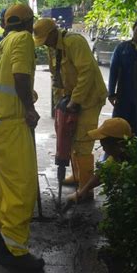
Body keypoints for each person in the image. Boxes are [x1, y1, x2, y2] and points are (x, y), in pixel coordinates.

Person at [0, 4, 44, 271]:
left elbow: (4, 82)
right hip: (12, 125)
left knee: (0, 183)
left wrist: (27, 96)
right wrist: (29, 109)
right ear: (30, 23)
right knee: (21, 187)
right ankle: (15, 251)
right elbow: (19, 75)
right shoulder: (22, 40)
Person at [33, 18, 107, 199]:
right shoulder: (53, 50)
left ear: (53, 32)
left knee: (83, 141)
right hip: (72, 99)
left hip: (89, 99)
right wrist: (60, 102)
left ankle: (85, 190)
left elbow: (86, 72)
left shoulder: (74, 42)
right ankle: (78, 175)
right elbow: (57, 78)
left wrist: (75, 100)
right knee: (71, 138)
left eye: (46, 39)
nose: (45, 44)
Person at [66, 117, 137, 204]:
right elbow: (103, 173)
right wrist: (81, 193)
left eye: (104, 145)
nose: (104, 149)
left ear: (118, 144)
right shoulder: (125, 150)